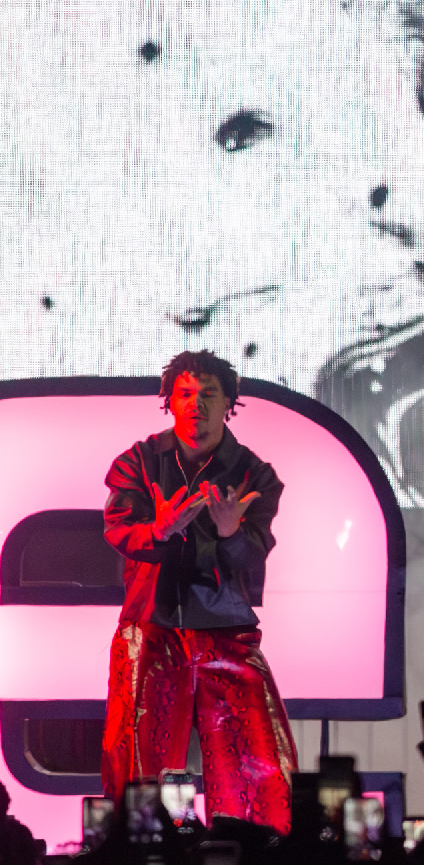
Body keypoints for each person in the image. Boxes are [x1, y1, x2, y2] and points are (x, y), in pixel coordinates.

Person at [100, 352, 297, 832]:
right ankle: (136, 849)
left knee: (256, 757)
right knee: (135, 752)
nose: (196, 405)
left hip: (225, 629)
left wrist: (231, 533)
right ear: (169, 402)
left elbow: (254, 556)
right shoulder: (139, 461)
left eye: (208, 394)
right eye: (185, 394)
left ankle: (256, 853)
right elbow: (118, 529)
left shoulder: (254, 473)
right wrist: (160, 530)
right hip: (151, 624)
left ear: (229, 403)